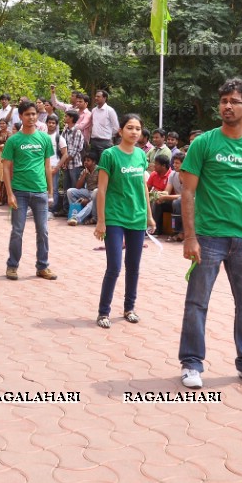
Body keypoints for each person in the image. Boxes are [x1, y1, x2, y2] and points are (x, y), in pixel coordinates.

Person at [179, 78, 242, 390]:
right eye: (223, 101)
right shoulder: (204, 143)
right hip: (208, 236)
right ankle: (192, 364)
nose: (227, 106)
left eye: (233, 101)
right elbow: (188, 192)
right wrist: (190, 237)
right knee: (197, 303)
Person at [93, 114, 154, 328]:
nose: (134, 132)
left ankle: (130, 308)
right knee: (114, 266)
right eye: (130, 127)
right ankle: (103, 312)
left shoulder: (141, 156)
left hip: (137, 218)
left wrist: (149, 215)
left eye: (138, 128)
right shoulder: (109, 155)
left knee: (134, 266)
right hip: (115, 217)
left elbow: (143, 187)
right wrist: (101, 221)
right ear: (120, 131)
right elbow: (101, 190)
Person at [2, 101, 56, 280]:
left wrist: (50, 191)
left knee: (43, 230)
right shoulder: (13, 140)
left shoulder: (44, 139)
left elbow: (48, 166)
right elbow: (6, 168)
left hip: (40, 191)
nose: (31, 117)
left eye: (33, 114)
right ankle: (12, 266)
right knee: (17, 230)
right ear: (20, 116)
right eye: (27, 114)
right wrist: (9, 194)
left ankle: (42, 266)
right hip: (19, 192)